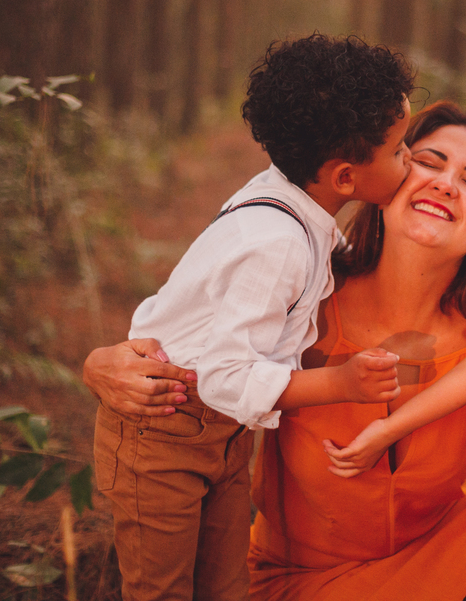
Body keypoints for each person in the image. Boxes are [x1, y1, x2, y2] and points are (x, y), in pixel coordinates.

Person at [85, 34, 416, 601]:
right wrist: (340, 383)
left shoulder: (295, 205)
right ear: (344, 177)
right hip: (162, 429)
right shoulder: (276, 243)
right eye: (400, 150)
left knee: (225, 586)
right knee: (161, 589)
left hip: (225, 435)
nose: (409, 160)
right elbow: (225, 375)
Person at [246, 101, 466, 601]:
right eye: (429, 162)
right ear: (387, 183)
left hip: (443, 554)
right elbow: (197, 357)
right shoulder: (307, 293)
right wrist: (109, 365)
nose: (446, 184)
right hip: (299, 578)